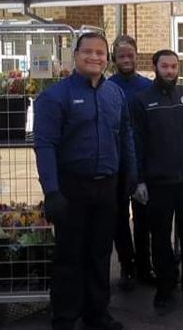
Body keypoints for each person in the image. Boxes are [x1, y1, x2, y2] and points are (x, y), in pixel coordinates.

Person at [34, 32, 136, 330]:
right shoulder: (54, 97)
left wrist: (131, 172)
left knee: (100, 253)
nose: (95, 57)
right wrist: (51, 191)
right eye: (88, 52)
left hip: (107, 186)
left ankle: (97, 314)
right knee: (69, 256)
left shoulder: (114, 94)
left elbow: (126, 134)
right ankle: (65, 317)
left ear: (108, 58)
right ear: (75, 56)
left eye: (101, 53)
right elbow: (45, 146)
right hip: (71, 188)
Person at [129, 49, 183, 312]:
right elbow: (137, 143)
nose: (169, 71)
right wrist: (139, 180)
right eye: (165, 66)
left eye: (174, 66)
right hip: (158, 183)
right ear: (156, 67)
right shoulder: (141, 100)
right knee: (161, 237)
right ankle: (164, 288)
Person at [108, 35, 155, 291]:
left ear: (136, 56)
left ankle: (145, 267)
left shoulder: (147, 86)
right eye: (122, 56)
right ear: (114, 59)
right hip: (116, 164)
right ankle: (127, 264)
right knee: (118, 219)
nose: (127, 59)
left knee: (143, 218)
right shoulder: (106, 87)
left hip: (142, 162)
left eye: (131, 55)